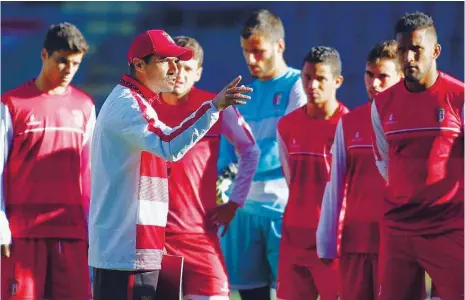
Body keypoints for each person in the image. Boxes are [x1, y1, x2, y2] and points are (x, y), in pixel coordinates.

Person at [88, 29, 252, 300]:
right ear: (139, 65)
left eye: (179, 61)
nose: (175, 69)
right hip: (126, 251)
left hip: (137, 249)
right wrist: (214, 107)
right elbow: (169, 144)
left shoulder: (139, 102)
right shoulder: (128, 105)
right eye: (167, 60)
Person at [156, 35, 260, 300]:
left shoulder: (216, 107)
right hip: (154, 238)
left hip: (201, 235)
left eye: (188, 68)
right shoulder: (145, 109)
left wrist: (234, 202)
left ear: (199, 73)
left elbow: (250, 151)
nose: (179, 74)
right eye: (175, 66)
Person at [371, 12, 464, 300]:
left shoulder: (459, 98)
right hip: (399, 231)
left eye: (416, 49)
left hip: (449, 228)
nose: (408, 57)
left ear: (435, 51)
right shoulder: (383, 104)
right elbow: (384, 162)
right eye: (402, 50)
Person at [217, 10, 307, 300]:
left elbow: (294, 150)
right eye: (246, 52)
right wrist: (223, 186)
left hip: (283, 210)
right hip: (243, 212)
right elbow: (227, 154)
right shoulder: (242, 93)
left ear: (279, 46)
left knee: (291, 293)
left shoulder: (299, 86)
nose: (250, 60)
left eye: (258, 51)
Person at [1, 23, 94, 299]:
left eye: (75, 63)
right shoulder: (11, 104)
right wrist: (1, 225)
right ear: (44, 55)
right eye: (62, 61)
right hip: (22, 233)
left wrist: (92, 229)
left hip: (73, 231)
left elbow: (89, 174)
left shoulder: (85, 106)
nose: (69, 69)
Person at [316, 40, 402, 300]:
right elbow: (335, 186)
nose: (374, 84)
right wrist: (326, 244)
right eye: (369, 75)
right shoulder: (349, 122)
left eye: (383, 76)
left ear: (400, 77)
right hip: (356, 242)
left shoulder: (412, 121)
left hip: (398, 244)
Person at [276, 46, 349, 300]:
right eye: (307, 78)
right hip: (293, 239)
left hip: (334, 242)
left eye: (320, 78)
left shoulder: (349, 126)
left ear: (337, 81)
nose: (312, 85)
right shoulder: (286, 125)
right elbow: (290, 178)